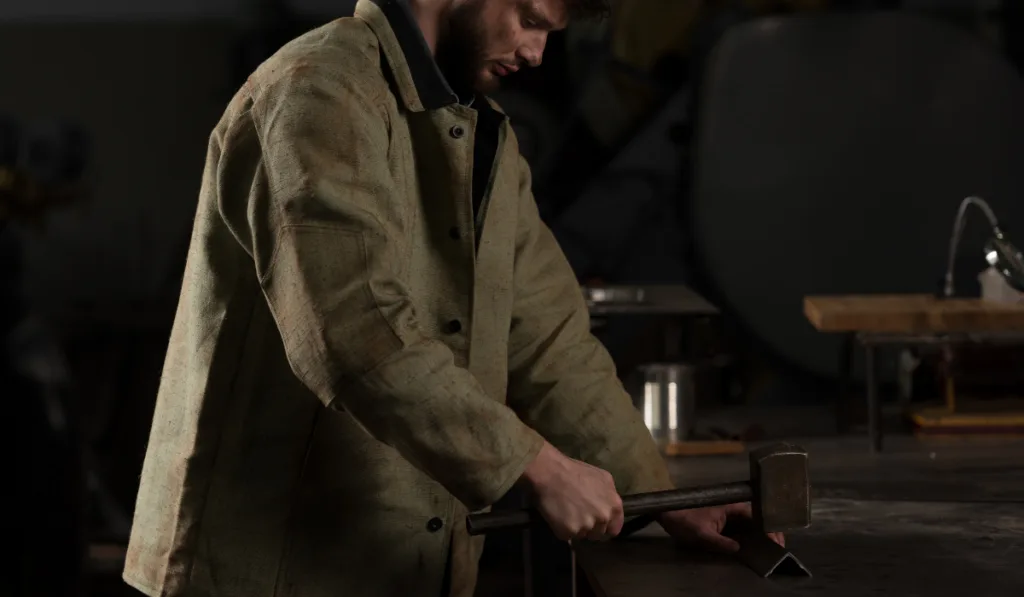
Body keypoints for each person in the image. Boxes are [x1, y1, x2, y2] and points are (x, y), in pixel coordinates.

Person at [123, 1, 781, 596]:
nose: (536, 53)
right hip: (261, 571)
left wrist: (662, 498)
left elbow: (550, 346)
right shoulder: (317, 92)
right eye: (529, 18)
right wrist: (537, 466)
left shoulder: (482, 133)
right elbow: (356, 332)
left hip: (393, 566)